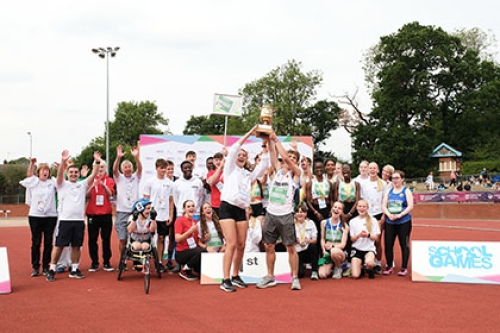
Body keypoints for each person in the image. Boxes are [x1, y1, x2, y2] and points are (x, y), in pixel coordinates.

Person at [219, 126, 269, 292]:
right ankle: (225, 279)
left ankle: (235, 275)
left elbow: (263, 166)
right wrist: (250, 132)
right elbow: (233, 148)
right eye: (239, 155)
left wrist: (265, 143)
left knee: (241, 244)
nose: (240, 156)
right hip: (227, 208)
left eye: (244, 155)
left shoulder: (249, 175)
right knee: (231, 243)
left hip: (241, 210)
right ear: (234, 158)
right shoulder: (229, 169)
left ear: (247, 159)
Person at [257, 131, 302, 291]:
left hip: (286, 216)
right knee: (269, 246)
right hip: (271, 214)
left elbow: (288, 160)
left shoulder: (296, 174)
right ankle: (270, 276)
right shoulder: (276, 171)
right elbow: (272, 154)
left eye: (292, 159)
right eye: (285, 159)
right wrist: (269, 139)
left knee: (290, 247)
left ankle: (294, 277)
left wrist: (276, 139)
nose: (287, 161)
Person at [45, 150, 100, 282]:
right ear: (67, 173)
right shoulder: (62, 184)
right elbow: (59, 176)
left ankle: (74, 269)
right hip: (65, 220)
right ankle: (52, 269)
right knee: (59, 245)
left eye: (76, 172)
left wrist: (97, 161)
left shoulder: (82, 184)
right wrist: (63, 161)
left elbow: (93, 174)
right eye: (71, 172)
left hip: (79, 221)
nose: (74, 174)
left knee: (76, 246)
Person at [20, 158, 58, 277]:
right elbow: (29, 175)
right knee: (36, 242)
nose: (44, 172)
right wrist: (32, 164)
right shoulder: (34, 182)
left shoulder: (52, 182)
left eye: (46, 170)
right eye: (42, 170)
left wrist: (62, 167)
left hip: (50, 216)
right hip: (36, 216)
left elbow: (63, 182)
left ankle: (46, 266)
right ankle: (35, 267)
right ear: (39, 172)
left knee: (48, 242)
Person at [143, 158, 175, 271]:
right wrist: (146, 214)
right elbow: (145, 199)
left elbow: (171, 200)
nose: (163, 170)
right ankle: (144, 261)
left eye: (165, 168)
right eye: (161, 168)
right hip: (152, 215)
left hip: (164, 215)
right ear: (156, 168)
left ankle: (159, 262)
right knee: (147, 238)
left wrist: (171, 215)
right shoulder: (150, 182)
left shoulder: (170, 184)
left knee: (161, 238)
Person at [85, 158, 115, 272]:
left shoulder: (110, 180)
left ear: (105, 169)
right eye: (98, 167)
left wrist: (103, 185)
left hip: (106, 214)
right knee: (92, 239)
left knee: (106, 239)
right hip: (93, 214)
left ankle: (107, 262)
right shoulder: (90, 180)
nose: (100, 169)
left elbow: (110, 194)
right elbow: (86, 195)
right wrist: (93, 186)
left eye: (102, 167)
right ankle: (94, 262)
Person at [382, 170, 414, 276]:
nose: (395, 180)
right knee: (388, 244)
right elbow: (384, 206)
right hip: (390, 221)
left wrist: (400, 215)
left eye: (397, 178)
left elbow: (410, 206)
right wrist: (388, 214)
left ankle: (404, 267)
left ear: (402, 179)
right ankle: (389, 265)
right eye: (393, 178)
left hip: (403, 221)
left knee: (403, 244)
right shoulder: (389, 191)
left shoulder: (406, 191)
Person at [113, 145, 142, 258]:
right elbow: (114, 169)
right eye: (125, 167)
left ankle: (137, 258)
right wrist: (118, 157)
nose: (128, 168)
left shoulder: (136, 177)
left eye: (129, 166)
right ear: (122, 169)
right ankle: (122, 260)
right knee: (122, 239)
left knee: (137, 237)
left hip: (135, 212)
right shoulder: (119, 178)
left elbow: (140, 168)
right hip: (122, 212)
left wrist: (136, 157)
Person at [305, 159, 333, 258]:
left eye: (321, 167)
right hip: (315, 210)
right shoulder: (310, 183)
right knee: (316, 233)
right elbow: (308, 200)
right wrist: (316, 212)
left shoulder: (328, 183)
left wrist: (331, 210)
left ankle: (326, 255)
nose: (319, 169)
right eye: (317, 168)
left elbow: (331, 198)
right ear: (314, 169)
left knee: (326, 234)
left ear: (323, 169)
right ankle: (315, 258)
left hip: (326, 209)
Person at [363, 162, 387, 274]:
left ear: (378, 170)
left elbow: (385, 201)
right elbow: (362, 200)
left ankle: (377, 263)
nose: (372, 170)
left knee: (377, 240)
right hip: (367, 215)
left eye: (374, 168)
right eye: (370, 168)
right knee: (366, 239)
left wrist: (383, 215)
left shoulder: (382, 183)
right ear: (367, 170)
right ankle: (367, 262)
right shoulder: (364, 184)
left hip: (378, 214)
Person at [349, 199, 381, 279]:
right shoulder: (352, 221)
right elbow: (352, 239)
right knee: (355, 275)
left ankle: (370, 268)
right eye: (360, 206)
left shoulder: (373, 220)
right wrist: (358, 236)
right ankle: (362, 267)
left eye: (364, 206)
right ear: (356, 207)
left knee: (369, 262)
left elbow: (377, 238)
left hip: (369, 249)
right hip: (357, 249)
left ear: (367, 208)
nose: (362, 208)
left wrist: (368, 235)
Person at [318, 201, 349, 279]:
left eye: (339, 208)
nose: (336, 209)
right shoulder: (324, 223)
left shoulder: (345, 225)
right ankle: (332, 266)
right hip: (327, 251)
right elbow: (322, 238)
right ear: (331, 209)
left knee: (334, 251)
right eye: (335, 207)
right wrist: (324, 250)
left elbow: (343, 244)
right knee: (322, 275)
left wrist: (332, 246)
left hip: (338, 251)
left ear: (342, 212)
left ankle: (338, 267)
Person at [174, 200, 203, 281]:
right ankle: (185, 270)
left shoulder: (195, 222)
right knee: (199, 251)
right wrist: (190, 231)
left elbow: (197, 240)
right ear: (184, 209)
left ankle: (192, 268)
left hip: (193, 251)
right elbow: (178, 239)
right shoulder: (180, 221)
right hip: (182, 252)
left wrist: (205, 238)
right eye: (188, 206)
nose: (191, 208)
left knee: (204, 252)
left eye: (193, 206)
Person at [294, 204, 318, 280]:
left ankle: (314, 271)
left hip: (307, 249)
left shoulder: (311, 223)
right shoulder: (292, 224)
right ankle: (300, 267)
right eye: (297, 212)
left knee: (313, 246)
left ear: (306, 213)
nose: (299, 214)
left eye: (302, 212)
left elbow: (315, 240)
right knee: (300, 274)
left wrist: (308, 241)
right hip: (297, 252)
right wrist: (294, 240)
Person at [206, 152, 225, 217]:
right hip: (216, 205)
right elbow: (212, 181)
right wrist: (220, 168)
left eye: (220, 160)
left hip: (227, 204)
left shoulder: (228, 172)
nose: (218, 162)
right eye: (216, 160)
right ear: (213, 162)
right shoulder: (210, 173)